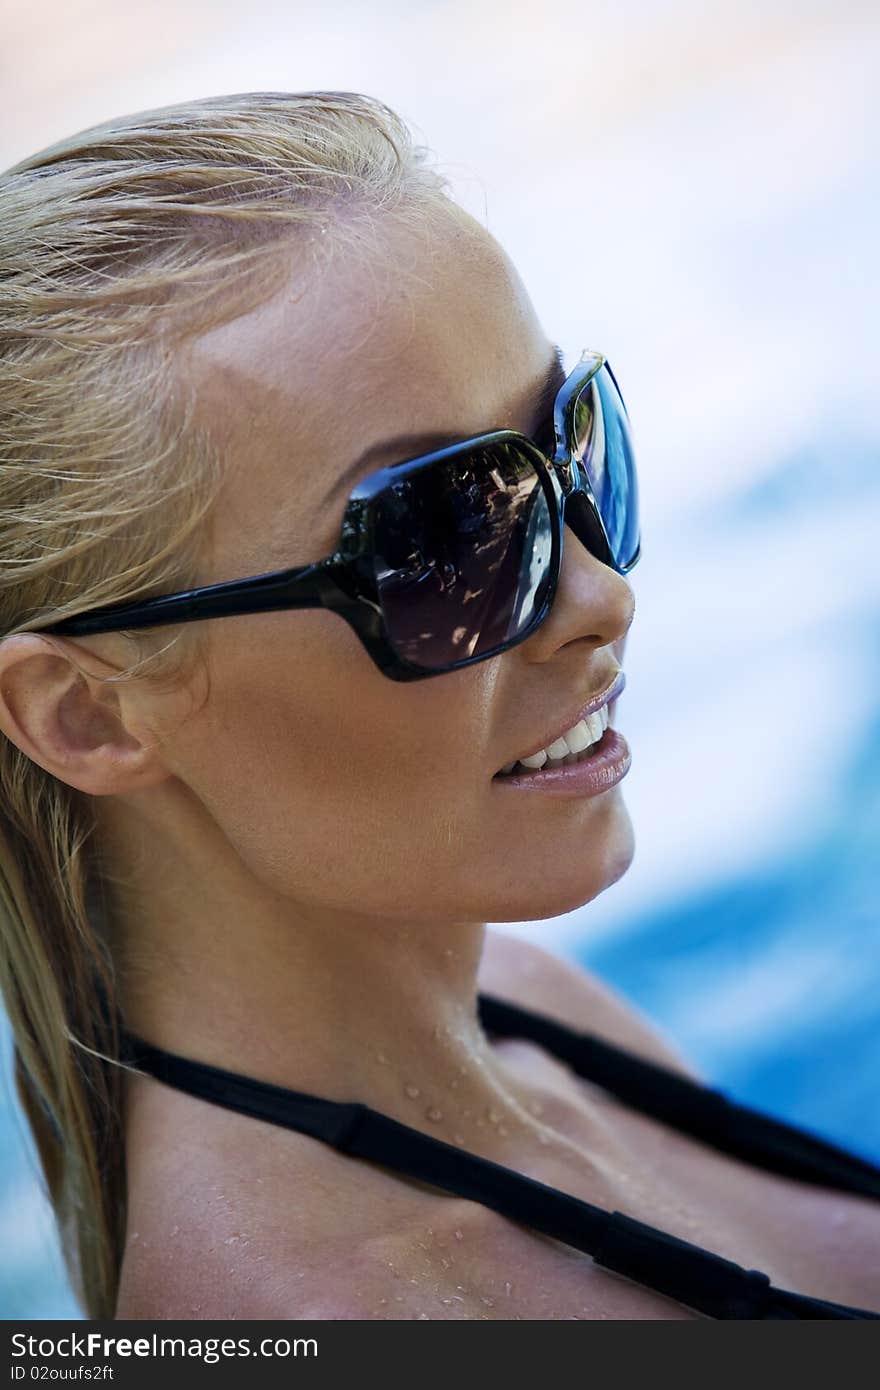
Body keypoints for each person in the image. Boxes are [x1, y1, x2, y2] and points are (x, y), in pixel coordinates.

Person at [0, 91, 877, 1323]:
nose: (601, 593)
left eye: (571, 449)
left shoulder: (527, 1014)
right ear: (85, 717)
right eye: (445, 538)